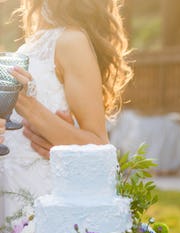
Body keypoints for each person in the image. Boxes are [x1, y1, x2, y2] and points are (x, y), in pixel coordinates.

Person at [0, 0, 132, 220]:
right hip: (10, 192)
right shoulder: (30, 46)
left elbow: (99, 148)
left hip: (41, 201)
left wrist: (29, 107)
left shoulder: (71, 41)